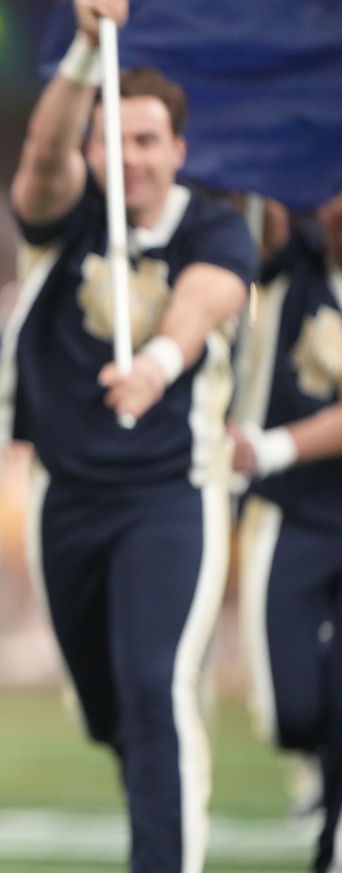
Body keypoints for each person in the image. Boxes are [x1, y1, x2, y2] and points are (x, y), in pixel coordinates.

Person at [2, 0, 257, 869]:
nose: (131, 158)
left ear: (178, 149)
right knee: (106, 709)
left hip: (168, 495)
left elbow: (207, 300)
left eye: (148, 141)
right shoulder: (63, 217)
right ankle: (147, 756)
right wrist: (80, 54)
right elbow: (41, 158)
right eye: (113, 140)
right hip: (66, 496)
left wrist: (153, 364)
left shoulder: (214, 224)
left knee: (155, 688)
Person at [231, 192, 342, 872]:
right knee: (290, 709)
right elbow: (262, 210)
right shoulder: (294, 261)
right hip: (291, 512)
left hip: (286, 465)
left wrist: (275, 445)